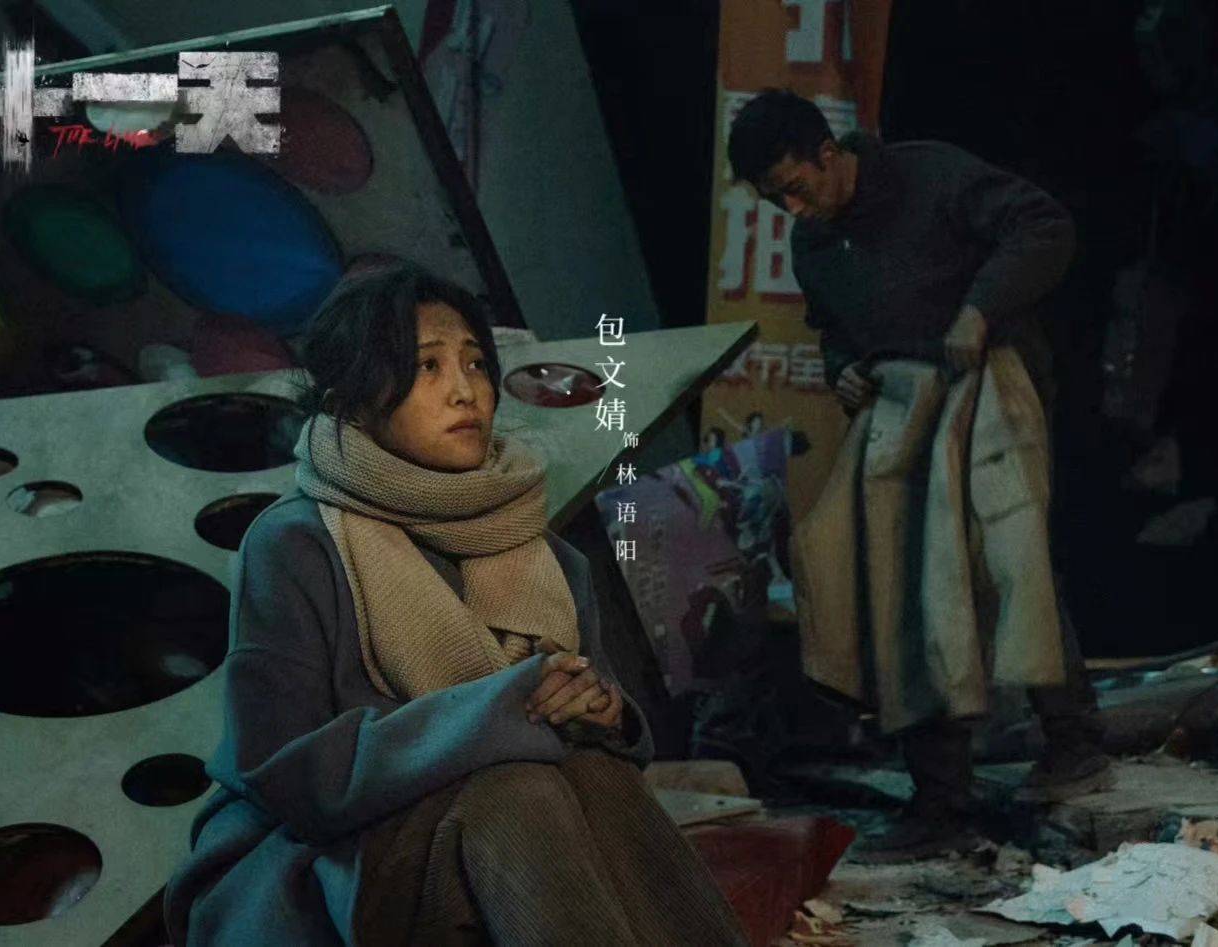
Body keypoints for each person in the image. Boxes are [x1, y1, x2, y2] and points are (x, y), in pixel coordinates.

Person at [162, 263, 748, 946]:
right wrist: (499, 712)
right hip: (316, 859)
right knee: (517, 791)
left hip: (487, 832)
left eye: (474, 363)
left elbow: (600, 718)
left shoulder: (549, 555)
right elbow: (286, 775)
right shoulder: (296, 543)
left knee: (596, 773)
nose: (465, 391)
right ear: (355, 398)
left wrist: (598, 710)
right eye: (427, 367)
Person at [728, 90, 1110, 862]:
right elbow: (832, 330)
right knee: (892, 587)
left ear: (829, 154)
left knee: (1007, 566)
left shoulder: (929, 176)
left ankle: (1072, 742)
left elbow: (1043, 226)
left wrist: (979, 309)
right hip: (901, 405)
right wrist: (843, 370)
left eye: (796, 188)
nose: (792, 209)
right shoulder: (814, 243)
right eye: (775, 200)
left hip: (988, 382)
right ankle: (940, 798)